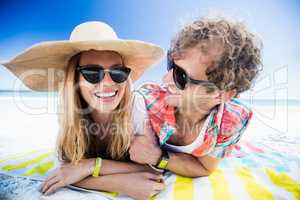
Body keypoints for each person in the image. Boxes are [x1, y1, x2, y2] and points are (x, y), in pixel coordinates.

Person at [2, 21, 165, 200]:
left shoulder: (137, 108)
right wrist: (121, 183)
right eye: (92, 73)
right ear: (75, 80)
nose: (108, 83)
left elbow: (156, 165)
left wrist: (90, 166)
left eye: (118, 72)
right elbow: (64, 172)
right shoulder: (68, 111)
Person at [129, 16, 262, 177]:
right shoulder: (145, 102)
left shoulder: (231, 119)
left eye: (181, 76)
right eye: (172, 65)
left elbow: (205, 168)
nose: (165, 79)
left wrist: (158, 157)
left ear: (222, 94)